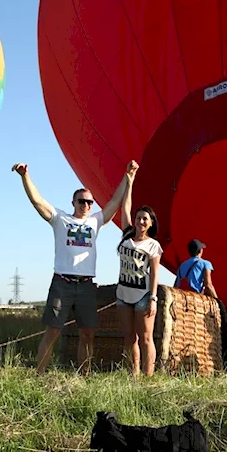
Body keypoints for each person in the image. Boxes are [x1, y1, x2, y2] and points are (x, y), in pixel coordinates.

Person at [13, 159, 139, 374]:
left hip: (86, 285)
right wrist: (25, 176)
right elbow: (38, 201)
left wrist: (129, 177)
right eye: (82, 201)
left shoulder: (95, 221)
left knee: (87, 333)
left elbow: (115, 202)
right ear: (73, 202)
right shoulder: (60, 219)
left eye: (90, 202)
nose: (86, 206)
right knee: (52, 331)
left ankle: (84, 374)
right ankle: (40, 375)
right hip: (62, 282)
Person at [116, 201, 163, 377]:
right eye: (138, 218)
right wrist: (129, 180)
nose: (141, 222)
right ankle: (133, 375)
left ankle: (148, 375)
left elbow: (155, 273)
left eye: (145, 219)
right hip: (123, 293)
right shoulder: (127, 237)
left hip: (143, 295)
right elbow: (125, 208)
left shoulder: (153, 245)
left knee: (145, 338)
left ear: (151, 223)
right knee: (129, 338)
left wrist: (153, 298)